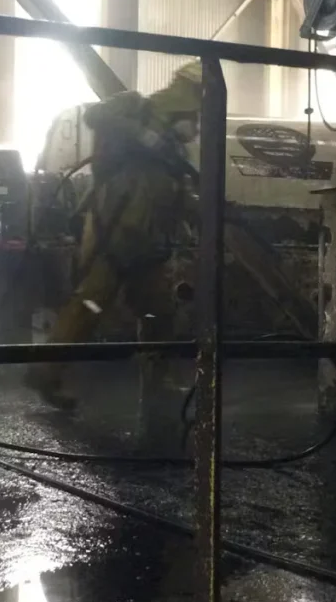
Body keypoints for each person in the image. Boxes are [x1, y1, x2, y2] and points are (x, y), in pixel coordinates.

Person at [24, 62, 203, 416]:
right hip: (115, 233)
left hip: (149, 242)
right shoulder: (135, 107)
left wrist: (199, 211)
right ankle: (44, 372)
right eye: (195, 110)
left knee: (158, 313)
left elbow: (174, 194)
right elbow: (95, 115)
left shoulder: (174, 152)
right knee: (89, 306)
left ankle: (157, 382)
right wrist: (143, 134)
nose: (195, 125)